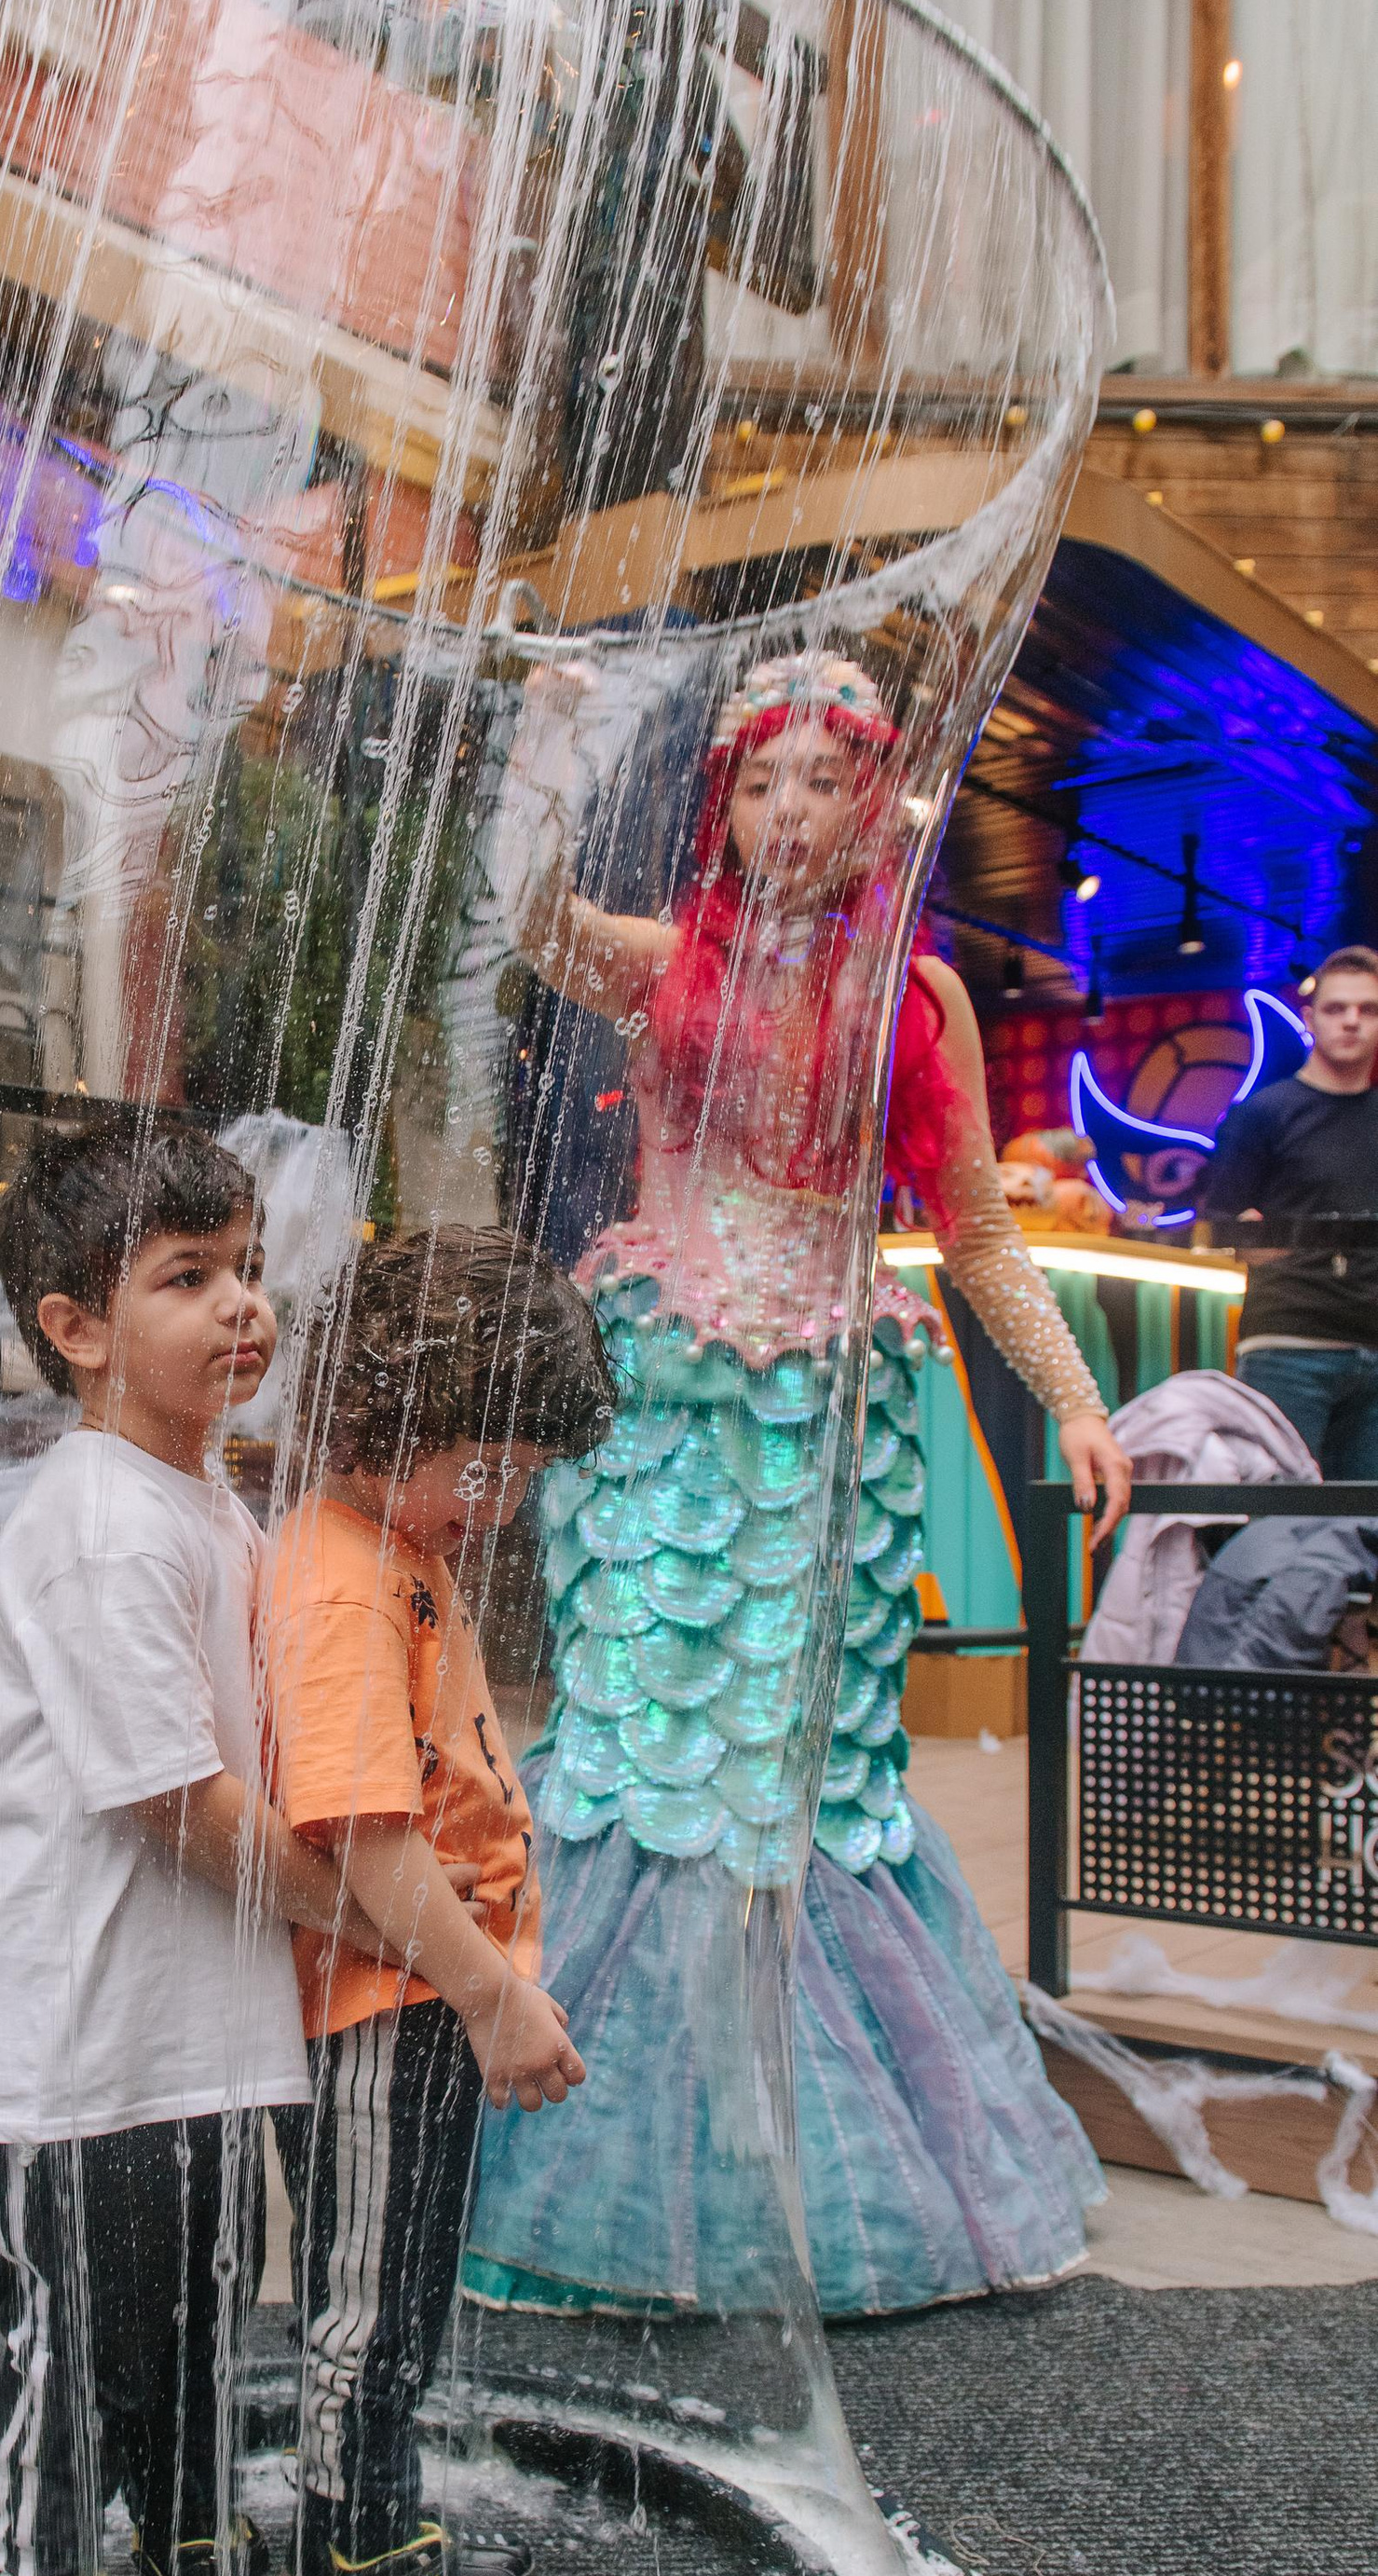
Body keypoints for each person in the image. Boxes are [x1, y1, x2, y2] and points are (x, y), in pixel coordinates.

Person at [461, 652, 1132, 2323]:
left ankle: (811, 2164)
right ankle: (602, 2156)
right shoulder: (664, 956)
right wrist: (549, 753)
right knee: (640, 1745)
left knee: (806, 1768)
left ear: (871, 803)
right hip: (676, 1399)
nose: (784, 814)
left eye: (819, 783)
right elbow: (536, 917)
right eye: (759, 783)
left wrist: (1076, 1400)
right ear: (727, 802)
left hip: (830, 1406)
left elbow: (972, 1226)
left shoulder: (924, 992)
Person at [0, 1121, 364, 2576]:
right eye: (186, 1280)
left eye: (246, 1269)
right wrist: (353, 1906)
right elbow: (175, 1803)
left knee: (189, 2346)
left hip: (192, 2041)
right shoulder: (102, 1522)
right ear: (77, 1328)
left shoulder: (201, 1501)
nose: (241, 1308)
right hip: (75, 2057)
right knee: (67, 2367)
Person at [262, 1226, 612, 2576]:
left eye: (525, 1474)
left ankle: (370, 2524)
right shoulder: (343, 1589)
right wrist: (488, 1991)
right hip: (386, 2012)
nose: (507, 1504)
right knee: (368, 2308)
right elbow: (360, 1838)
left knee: (394, 2292)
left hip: (416, 2006)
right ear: (372, 1420)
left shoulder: (391, 1556)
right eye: (486, 1469)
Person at [1196, 946, 1378, 1478]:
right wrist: (1256, 1240)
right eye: (1337, 1008)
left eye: (1368, 1009)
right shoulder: (1263, 1114)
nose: (1351, 1021)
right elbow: (1224, 1225)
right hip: (1288, 1344)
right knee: (1277, 1532)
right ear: (1310, 1019)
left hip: (1373, 1346)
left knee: (1363, 1538)